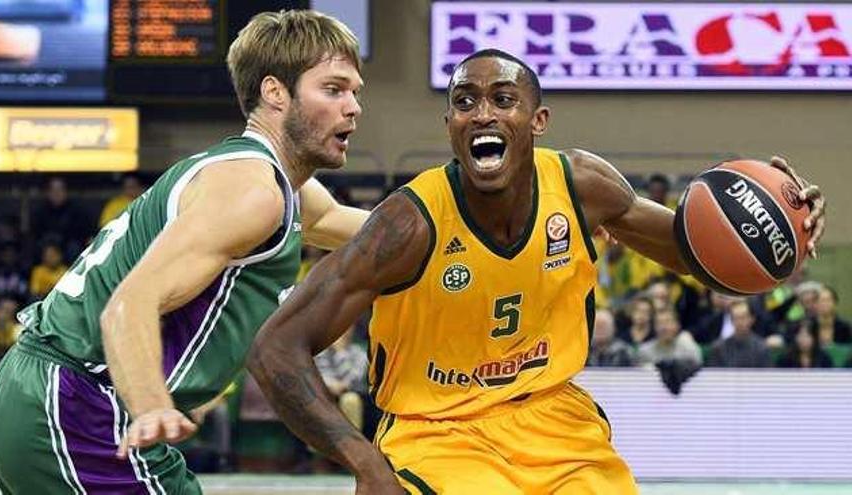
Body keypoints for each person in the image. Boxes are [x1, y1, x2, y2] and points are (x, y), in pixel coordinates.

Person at [249, 49, 825, 493]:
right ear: (449, 122)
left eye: (503, 99)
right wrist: (363, 460)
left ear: (538, 119)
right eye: (466, 102)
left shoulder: (581, 187)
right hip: (439, 432)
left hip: (553, 418)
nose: (483, 113)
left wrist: (781, 236)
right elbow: (276, 347)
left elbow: (697, 256)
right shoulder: (409, 223)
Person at [0, 10, 369, 494]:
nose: (353, 106)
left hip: (49, 395)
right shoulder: (251, 192)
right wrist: (151, 407)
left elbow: (349, 227)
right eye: (333, 90)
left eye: (355, 92)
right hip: (78, 403)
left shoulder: (268, 182)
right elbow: (129, 304)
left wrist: (465, 227)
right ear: (275, 93)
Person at [706, 300, 772, 368]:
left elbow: (766, 375)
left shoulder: (761, 348)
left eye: (743, 317)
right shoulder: (718, 348)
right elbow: (714, 374)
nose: (740, 322)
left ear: (752, 319)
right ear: (731, 320)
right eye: (736, 318)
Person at [637, 307, 702, 368]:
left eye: (668, 322)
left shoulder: (689, 349)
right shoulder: (644, 351)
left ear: (677, 325)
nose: (664, 327)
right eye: (659, 323)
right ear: (654, 327)